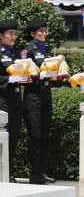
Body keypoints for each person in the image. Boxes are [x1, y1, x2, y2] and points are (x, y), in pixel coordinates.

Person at [23, 19, 56, 185]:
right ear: (32, 33)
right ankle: (34, 172)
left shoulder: (47, 49)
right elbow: (23, 74)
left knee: (44, 134)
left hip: (46, 94)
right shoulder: (27, 50)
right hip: (33, 97)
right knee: (35, 135)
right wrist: (38, 77)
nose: (44, 33)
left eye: (45, 30)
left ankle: (41, 171)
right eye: (41, 31)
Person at [0, 20, 22, 183]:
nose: (13, 37)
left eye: (15, 34)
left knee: (14, 136)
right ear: (1, 35)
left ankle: (8, 171)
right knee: (3, 135)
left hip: (16, 100)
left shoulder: (17, 54)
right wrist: (10, 79)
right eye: (10, 34)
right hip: (3, 100)